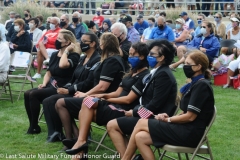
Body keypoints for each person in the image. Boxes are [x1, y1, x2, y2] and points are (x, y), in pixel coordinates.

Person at [120, 50, 214, 160]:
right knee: (140, 137)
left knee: (142, 122)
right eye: (185, 64)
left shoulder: (202, 86)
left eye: (188, 64)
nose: (185, 66)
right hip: (183, 129)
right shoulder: (194, 84)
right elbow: (184, 113)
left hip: (190, 133)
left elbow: (190, 116)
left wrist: (168, 120)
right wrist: (170, 117)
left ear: (198, 67)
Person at [65, 42, 150, 154]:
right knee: (88, 101)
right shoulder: (132, 72)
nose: (130, 57)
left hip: (124, 109)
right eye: (129, 54)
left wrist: (105, 99)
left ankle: (81, 145)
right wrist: (101, 95)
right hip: (114, 104)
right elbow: (117, 93)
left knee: (86, 109)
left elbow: (128, 99)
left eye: (133, 55)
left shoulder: (144, 75)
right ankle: (81, 143)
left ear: (142, 56)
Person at [107, 40, 177, 158]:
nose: (149, 57)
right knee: (113, 122)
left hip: (155, 118)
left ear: (161, 58)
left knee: (112, 125)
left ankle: (128, 157)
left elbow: (155, 105)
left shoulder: (163, 75)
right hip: (146, 114)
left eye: (152, 55)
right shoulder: (158, 72)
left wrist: (134, 112)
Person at [55, 33, 127, 143]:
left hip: (102, 101)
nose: (99, 44)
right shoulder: (110, 59)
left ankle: (75, 139)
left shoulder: (111, 61)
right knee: (62, 101)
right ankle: (77, 139)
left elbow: (102, 87)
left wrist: (85, 94)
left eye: (101, 42)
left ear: (105, 45)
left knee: (61, 103)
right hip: (96, 98)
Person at [42, 32, 100, 142]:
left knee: (56, 102)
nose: (80, 43)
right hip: (76, 90)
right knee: (50, 100)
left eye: (84, 42)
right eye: (80, 41)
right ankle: (67, 135)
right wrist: (67, 87)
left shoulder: (96, 60)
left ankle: (73, 137)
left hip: (86, 94)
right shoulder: (83, 58)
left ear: (92, 44)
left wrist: (69, 90)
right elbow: (75, 78)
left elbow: (88, 82)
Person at [24, 29, 80, 134]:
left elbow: (62, 65)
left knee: (34, 94)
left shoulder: (74, 56)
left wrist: (66, 51)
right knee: (27, 93)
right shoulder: (54, 54)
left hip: (63, 88)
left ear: (67, 42)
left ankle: (34, 127)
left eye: (59, 39)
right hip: (51, 85)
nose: (56, 41)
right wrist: (44, 83)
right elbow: (49, 72)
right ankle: (33, 125)